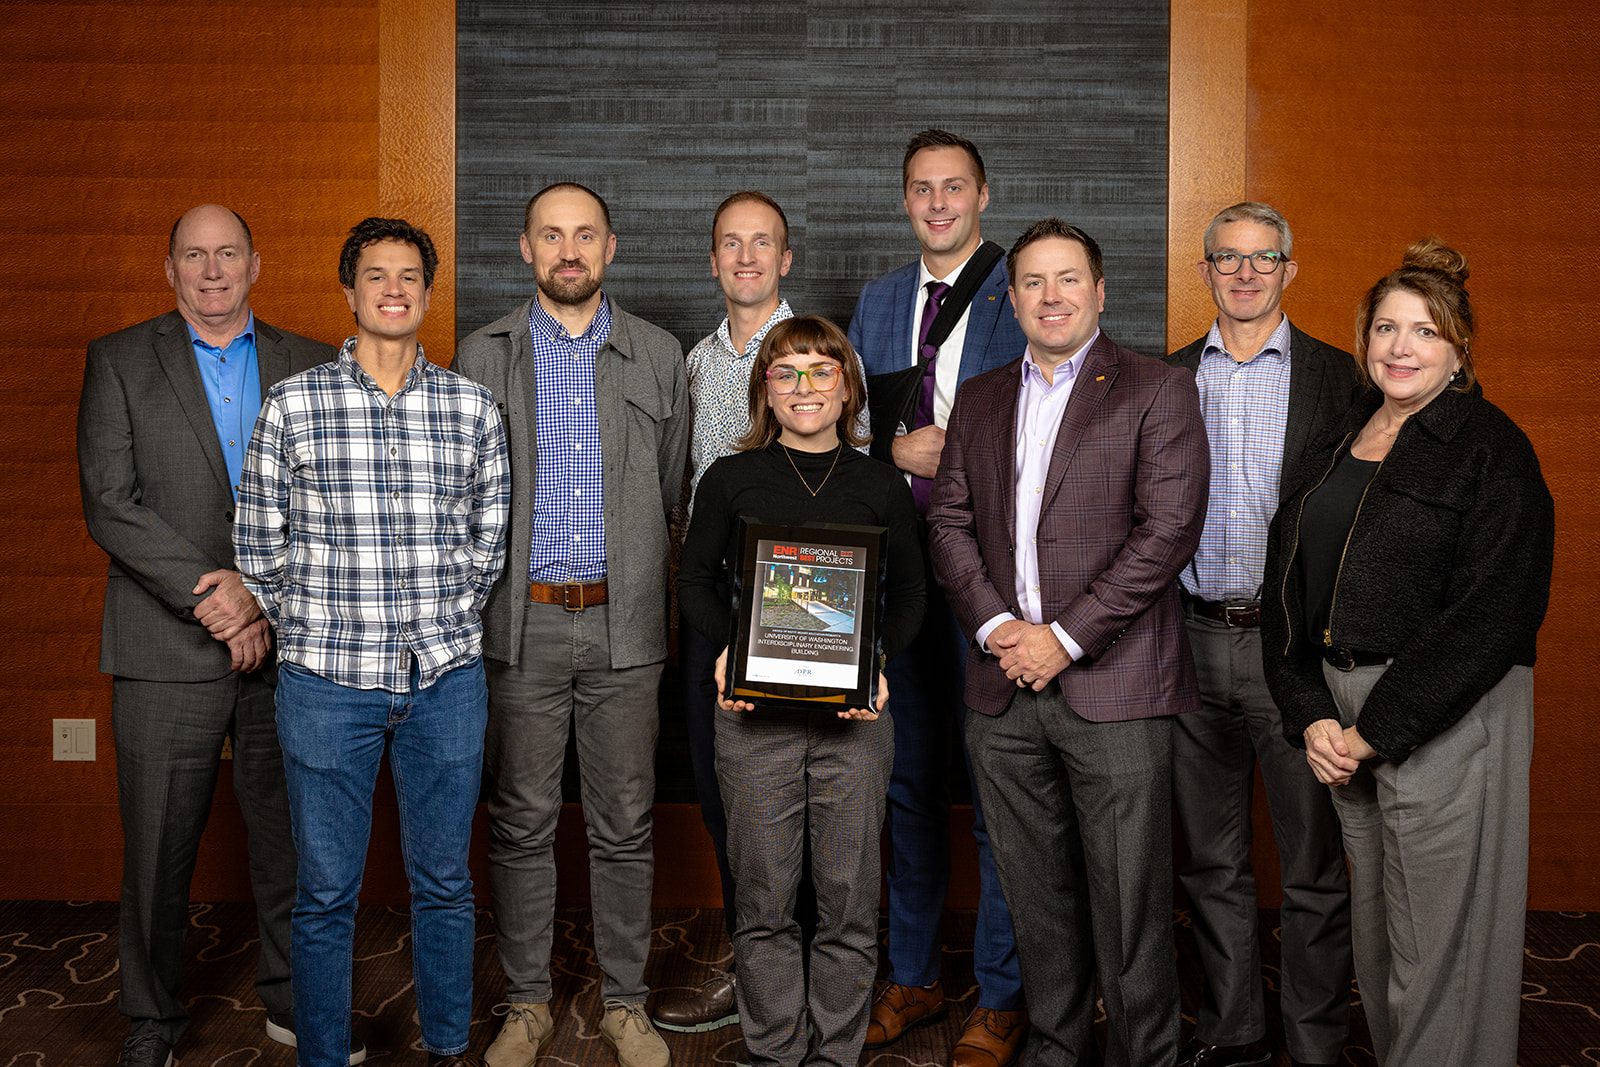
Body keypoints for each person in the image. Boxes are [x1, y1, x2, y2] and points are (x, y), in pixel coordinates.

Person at [1261, 239, 1554, 1067]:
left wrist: (1377, 727)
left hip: (1443, 710)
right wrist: (1309, 708)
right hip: (1342, 711)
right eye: (1385, 328)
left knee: (1444, 947)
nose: (1399, 347)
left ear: (1459, 346)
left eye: (1424, 332)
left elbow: (1495, 612)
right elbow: (1293, 582)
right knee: (1387, 938)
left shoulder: (1492, 447)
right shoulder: (1344, 437)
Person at [75, 204, 353, 1067]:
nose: (211, 269)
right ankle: (152, 1019)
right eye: (193, 255)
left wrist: (260, 596)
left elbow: (333, 507)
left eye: (227, 252)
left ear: (255, 263)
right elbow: (110, 502)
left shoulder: (312, 362)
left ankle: (290, 999)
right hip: (165, 649)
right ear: (170, 270)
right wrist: (216, 597)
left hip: (286, 647)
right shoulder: (120, 360)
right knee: (159, 848)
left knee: (291, 843)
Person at [927, 218, 1209, 1067]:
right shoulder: (978, 398)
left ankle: (1143, 1052)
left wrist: (1065, 638)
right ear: (1010, 300)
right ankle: (1055, 1044)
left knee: (1131, 902)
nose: (1052, 297)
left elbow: (1166, 534)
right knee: (1032, 895)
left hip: (1117, 690)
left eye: (1069, 279)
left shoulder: (1157, 390)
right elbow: (948, 524)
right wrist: (998, 628)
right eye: (1034, 283)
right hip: (1001, 689)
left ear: (1099, 290)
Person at [234, 217, 508, 1067]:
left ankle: (448, 1046)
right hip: (326, 683)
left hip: (445, 678)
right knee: (324, 893)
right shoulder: (294, 402)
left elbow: (488, 536)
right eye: (376, 275)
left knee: (446, 885)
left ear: (426, 293)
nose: (394, 289)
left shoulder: (470, 407)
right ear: (348, 292)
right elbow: (257, 542)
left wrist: (444, 619)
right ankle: (322, 1053)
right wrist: (313, 629)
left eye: (409, 276)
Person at [453, 182, 689, 1067]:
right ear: (525, 249)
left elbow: (674, 494)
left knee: (624, 821)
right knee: (519, 819)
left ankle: (626, 1002)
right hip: (521, 629)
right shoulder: (482, 355)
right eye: (551, 235)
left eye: (584, 234)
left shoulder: (659, 354)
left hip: (626, 628)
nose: (568, 250)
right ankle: (526, 1003)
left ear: (610, 248)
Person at [679, 315, 925, 1066]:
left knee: (849, 901)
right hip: (754, 720)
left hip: (855, 717)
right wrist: (729, 651)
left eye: (822, 370)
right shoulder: (729, 477)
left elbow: (912, 592)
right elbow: (692, 579)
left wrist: (876, 659)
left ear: (846, 385)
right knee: (763, 901)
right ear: (765, 390)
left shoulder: (880, 481)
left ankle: (837, 1050)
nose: (805, 386)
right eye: (787, 373)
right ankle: (777, 1047)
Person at [846, 128, 1029, 1067]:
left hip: (994, 582)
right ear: (905, 199)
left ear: (982, 196)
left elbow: (1045, 421)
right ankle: (913, 975)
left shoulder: (1019, 289)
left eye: (954, 187)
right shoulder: (876, 300)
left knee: (998, 791)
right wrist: (888, 449)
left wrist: (952, 452)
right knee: (907, 785)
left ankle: (1001, 994)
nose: (939, 203)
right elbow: (840, 424)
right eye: (922, 188)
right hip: (899, 581)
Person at [1164, 202, 1359, 1067]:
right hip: (1188, 641)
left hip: (1296, 654)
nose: (1245, 274)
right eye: (1228, 259)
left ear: (1290, 269)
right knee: (1210, 862)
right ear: (1204, 271)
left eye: (1263, 258)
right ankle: (1234, 1032)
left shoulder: (1343, 381)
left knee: (1314, 866)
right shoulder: (1163, 380)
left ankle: (1317, 1042)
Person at [654, 190, 802, 1036]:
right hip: (711, 611)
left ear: (786, 259)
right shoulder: (691, 364)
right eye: (729, 244)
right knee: (721, 797)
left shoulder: (819, 350)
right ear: (711, 261)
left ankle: (810, 970)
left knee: (799, 799)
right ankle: (755, 964)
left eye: (763, 244)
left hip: (798, 615)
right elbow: (678, 495)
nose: (746, 257)